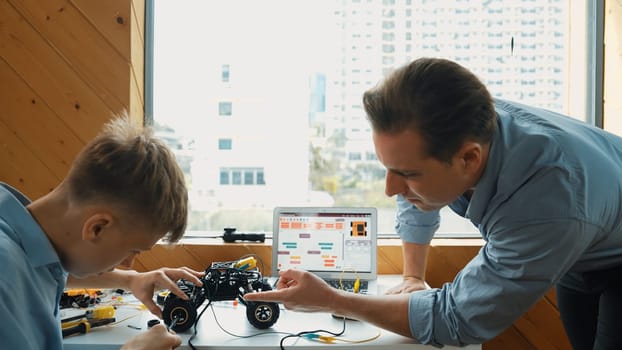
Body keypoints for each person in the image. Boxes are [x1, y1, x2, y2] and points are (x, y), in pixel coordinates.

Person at [245, 57, 622, 349]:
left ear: (469, 160)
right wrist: (412, 276)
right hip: (586, 242)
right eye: (389, 169)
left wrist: (334, 300)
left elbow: (459, 319)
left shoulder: (547, 202)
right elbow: (417, 192)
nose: (390, 189)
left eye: (406, 174)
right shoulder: (456, 123)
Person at [0, 116, 204, 350]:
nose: (127, 263)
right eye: (132, 251)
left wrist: (131, 279)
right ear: (97, 227)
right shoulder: (4, 276)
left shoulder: (27, 242)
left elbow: (47, 268)